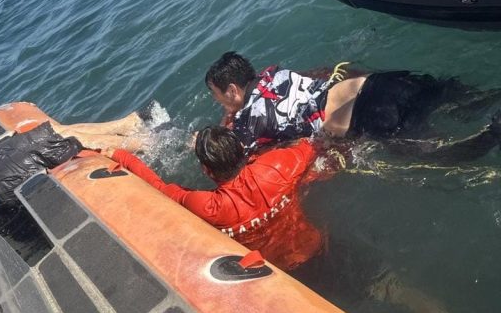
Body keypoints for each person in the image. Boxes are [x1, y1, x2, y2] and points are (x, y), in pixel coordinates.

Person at [205, 51, 501, 162]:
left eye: (216, 94)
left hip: (370, 115)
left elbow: (229, 156)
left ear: (232, 90)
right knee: (465, 98)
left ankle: (493, 134)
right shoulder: (273, 73)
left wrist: (225, 121)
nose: (216, 100)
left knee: (437, 154)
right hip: (380, 83)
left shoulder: (249, 122)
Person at [105, 125, 323, 271]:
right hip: (315, 248)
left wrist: (119, 155)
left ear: (206, 170)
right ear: (241, 148)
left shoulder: (207, 206)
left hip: (275, 272)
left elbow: (157, 187)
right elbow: (315, 143)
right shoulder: (278, 166)